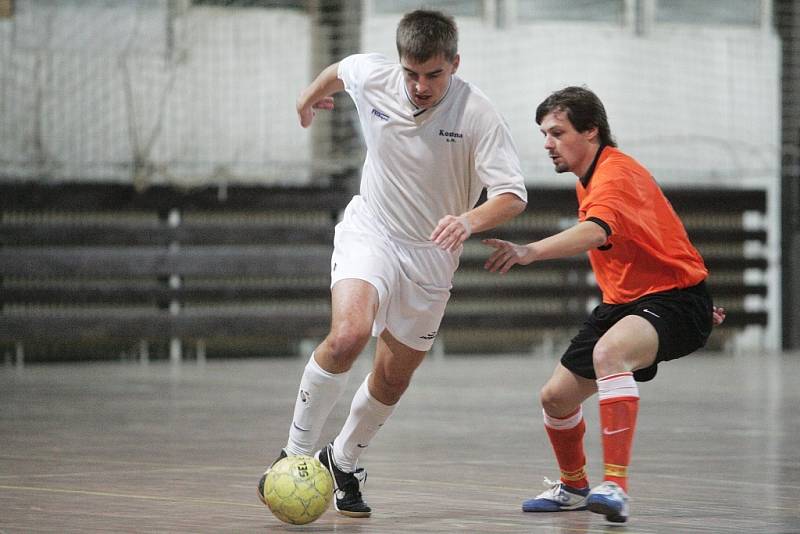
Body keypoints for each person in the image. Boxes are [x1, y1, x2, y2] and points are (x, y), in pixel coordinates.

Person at [257, 10, 528, 517]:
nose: (421, 86)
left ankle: (342, 460)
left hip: (432, 254)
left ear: (454, 64)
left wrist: (469, 222)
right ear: (400, 63)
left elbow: (512, 195)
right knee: (348, 334)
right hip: (373, 229)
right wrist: (306, 95)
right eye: (412, 73)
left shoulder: (478, 114)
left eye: (433, 75)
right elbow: (341, 68)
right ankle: (292, 456)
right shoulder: (375, 75)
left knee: (392, 377)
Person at [483, 86, 726, 523]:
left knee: (608, 353)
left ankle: (615, 485)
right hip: (629, 304)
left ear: (591, 131)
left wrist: (529, 251)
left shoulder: (615, 174)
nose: (547, 144)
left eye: (557, 133)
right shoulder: (590, 178)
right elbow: (657, 233)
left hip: (672, 301)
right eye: (544, 134)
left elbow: (597, 232)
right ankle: (574, 487)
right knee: (555, 397)